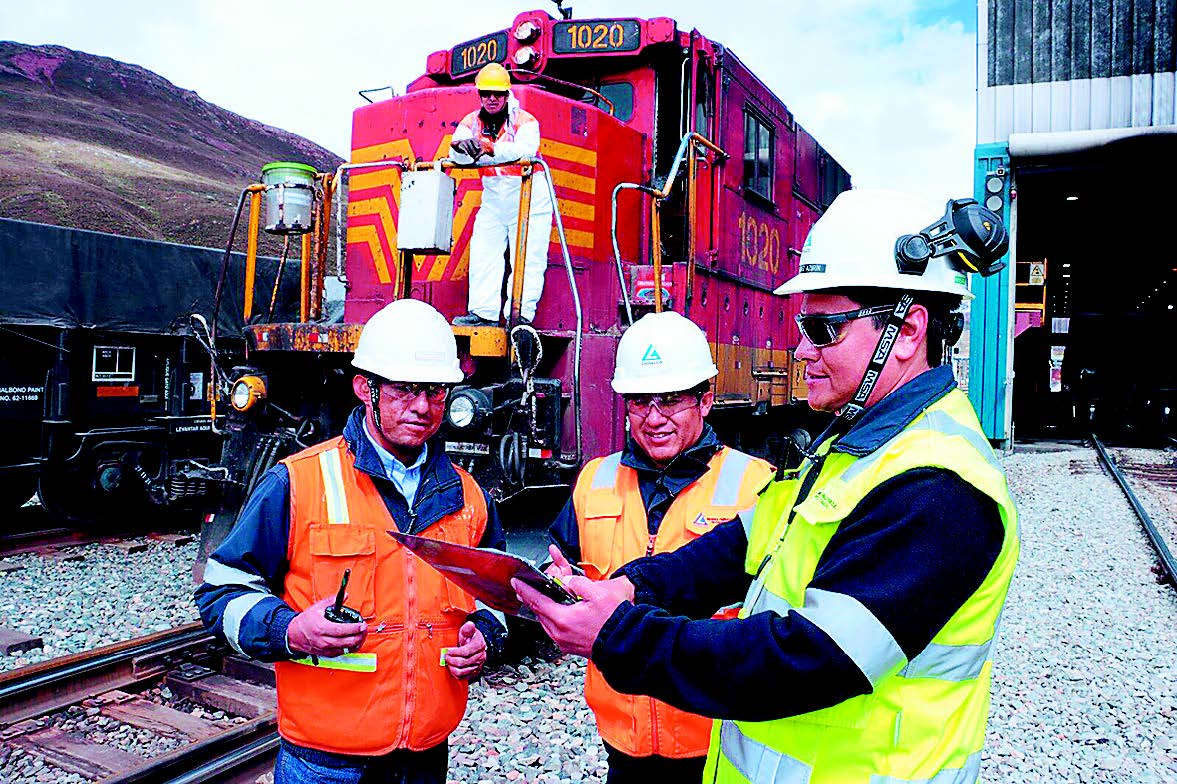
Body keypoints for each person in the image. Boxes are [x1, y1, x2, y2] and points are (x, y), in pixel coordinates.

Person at [518, 189, 1020, 784]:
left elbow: (803, 660)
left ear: (908, 331)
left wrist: (618, 634)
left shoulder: (938, 489)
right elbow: (734, 550)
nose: (801, 350)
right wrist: (628, 589)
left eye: (823, 329)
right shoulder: (851, 451)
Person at [195, 299, 508, 784]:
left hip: (425, 757)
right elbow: (221, 591)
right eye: (405, 390)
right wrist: (290, 630)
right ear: (366, 389)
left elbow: (500, 595)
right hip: (324, 763)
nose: (423, 407)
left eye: (436, 391)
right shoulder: (298, 482)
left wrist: (486, 634)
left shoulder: (468, 497)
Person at [547, 311, 774, 783]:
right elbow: (562, 564)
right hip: (621, 738)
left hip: (716, 743)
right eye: (638, 402)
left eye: (670, 400)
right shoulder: (595, 480)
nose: (653, 418)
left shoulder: (755, 485)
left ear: (705, 399)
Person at [449, 62, 553, 328]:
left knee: (528, 256)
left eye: (497, 93)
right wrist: (464, 149)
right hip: (493, 195)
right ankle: (483, 313)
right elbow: (455, 152)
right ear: (480, 95)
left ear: (507, 95)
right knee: (484, 250)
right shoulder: (470, 121)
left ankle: (521, 316)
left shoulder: (526, 121)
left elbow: (525, 151)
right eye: (486, 93)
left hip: (528, 192)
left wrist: (489, 148)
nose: (492, 98)